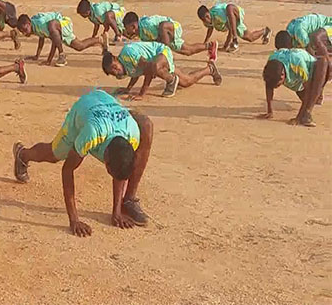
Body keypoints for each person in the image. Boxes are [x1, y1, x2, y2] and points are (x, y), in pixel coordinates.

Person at [12, 89, 153, 235]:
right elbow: (67, 170)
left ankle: (121, 207)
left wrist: (116, 213)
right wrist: (74, 220)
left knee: (120, 164)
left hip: (105, 103)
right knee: (55, 154)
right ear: (106, 162)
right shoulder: (91, 135)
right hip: (84, 109)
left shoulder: (132, 135)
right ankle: (23, 154)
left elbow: (121, 169)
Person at [102, 42, 222, 99]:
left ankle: (171, 80)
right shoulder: (124, 67)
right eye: (113, 72)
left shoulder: (128, 53)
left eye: (114, 67)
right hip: (155, 62)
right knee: (186, 82)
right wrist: (128, 89)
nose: (115, 72)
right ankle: (210, 69)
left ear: (116, 58)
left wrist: (141, 94)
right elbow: (136, 72)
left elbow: (148, 69)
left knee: (154, 67)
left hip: (161, 52)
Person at [261, 47, 330, 127]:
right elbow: (268, 84)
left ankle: (307, 114)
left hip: (311, 72)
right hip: (297, 80)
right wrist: (269, 111)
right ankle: (315, 99)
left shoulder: (297, 63)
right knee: (307, 98)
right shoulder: (272, 61)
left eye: (279, 84)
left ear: (283, 75)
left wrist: (299, 117)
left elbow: (308, 90)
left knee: (323, 62)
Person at [16, 12, 108, 67]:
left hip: (62, 23)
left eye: (25, 30)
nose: (24, 33)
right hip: (58, 26)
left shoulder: (40, 24)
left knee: (52, 25)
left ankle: (62, 55)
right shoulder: (34, 26)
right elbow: (42, 37)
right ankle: (100, 39)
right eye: (22, 32)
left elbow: (55, 40)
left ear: (29, 23)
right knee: (79, 46)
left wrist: (49, 60)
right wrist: (37, 55)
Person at [123, 12, 218, 58]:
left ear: (133, 26)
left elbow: (160, 34)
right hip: (166, 36)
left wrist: (163, 51)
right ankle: (209, 46)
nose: (127, 32)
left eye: (127, 29)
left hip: (172, 28)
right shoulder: (141, 34)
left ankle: (166, 52)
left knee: (162, 27)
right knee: (188, 51)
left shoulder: (147, 25)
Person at [197, 2, 271, 53]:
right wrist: (205, 41)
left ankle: (235, 40)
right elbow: (210, 28)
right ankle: (265, 31)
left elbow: (230, 27)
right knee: (250, 37)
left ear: (209, 12)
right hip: (231, 22)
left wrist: (226, 44)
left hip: (235, 13)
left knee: (230, 8)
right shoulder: (206, 22)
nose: (207, 19)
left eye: (207, 16)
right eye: (204, 19)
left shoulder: (218, 14)